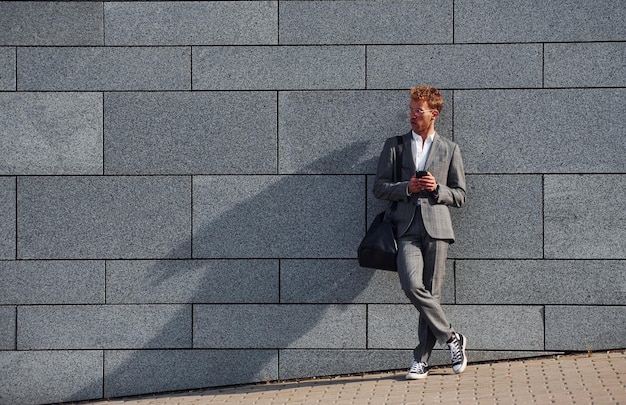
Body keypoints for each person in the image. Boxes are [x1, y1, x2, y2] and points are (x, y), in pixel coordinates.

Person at [373, 85, 467, 380]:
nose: (412, 115)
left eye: (418, 110)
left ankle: (421, 360)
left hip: (437, 228)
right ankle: (453, 338)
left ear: (433, 114)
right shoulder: (395, 145)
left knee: (433, 294)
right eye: (411, 109)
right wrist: (406, 188)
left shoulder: (450, 149)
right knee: (412, 286)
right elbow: (379, 188)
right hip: (405, 228)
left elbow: (461, 195)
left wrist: (436, 189)